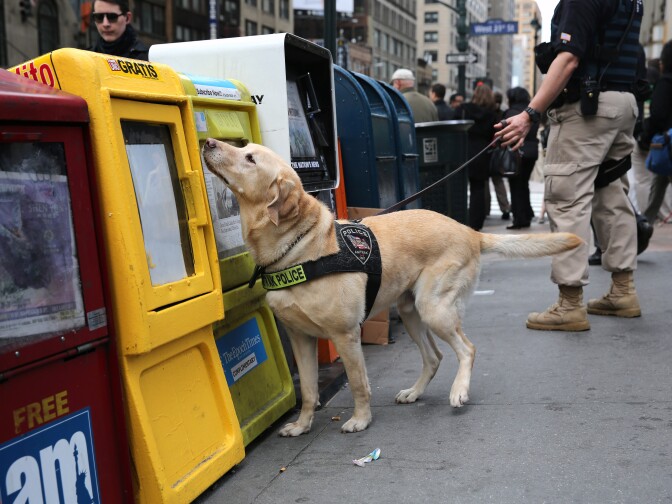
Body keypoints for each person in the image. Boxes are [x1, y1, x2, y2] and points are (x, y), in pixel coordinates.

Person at [495, 0, 644, 332]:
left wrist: (529, 114)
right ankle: (623, 291)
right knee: (612, 197)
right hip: (623, 104)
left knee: (567, 200)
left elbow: (569, 57)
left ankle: (570, 303)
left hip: (588, 108)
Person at [454, 84, 497, 231]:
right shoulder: (492, 114)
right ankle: (475, 223)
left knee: (458, 188)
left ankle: (457, 219)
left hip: (462, 151)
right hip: (481, 153)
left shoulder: (463, 108)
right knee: (478, 189)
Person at [641, 40, 672, 225]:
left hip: (667, 145)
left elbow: (657, 113)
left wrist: (646, 136)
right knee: (657, 187)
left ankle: (643, 228)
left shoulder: (666, 82)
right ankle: (644, 226)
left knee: (656, 189)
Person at [502, 87, 539, 229]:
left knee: (516, 186)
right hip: (532, 152)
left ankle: (519, 219)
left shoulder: (510, 113)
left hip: (516, 152)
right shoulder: (532, 112)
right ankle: (527, 214)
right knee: (524, 184)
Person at [489, 90, 512, 220]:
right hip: (498, 151)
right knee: (498, 181)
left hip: (487, 151)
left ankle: (486, 209)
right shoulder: (503, 114)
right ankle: (505, 208)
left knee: (486, 182)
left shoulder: (488, 113)